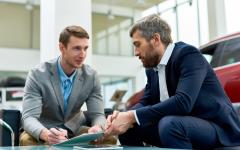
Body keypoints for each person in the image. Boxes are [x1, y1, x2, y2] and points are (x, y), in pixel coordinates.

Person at [104, 14, 240, 149]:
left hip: (218, 128)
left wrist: (131, 116)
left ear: (155, 39)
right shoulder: (152, 68)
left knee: (170, 125)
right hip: (180, 124)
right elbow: (146, 101)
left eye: (138, 44)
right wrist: (122, 117)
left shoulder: (188, 55)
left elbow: (183, 102)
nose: (136, 52)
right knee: (129, 127)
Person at [20, 25, 106, 145]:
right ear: (62, 47)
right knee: (26, 140)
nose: (82, 55)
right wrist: (46, 134)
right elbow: (28, 118)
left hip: (75, 129)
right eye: (77, 48)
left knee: (108, 138)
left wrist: (97, 127)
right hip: (45, 129)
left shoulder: (91, 76)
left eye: (85, 48)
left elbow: (98, 115)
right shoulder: (37, 74)